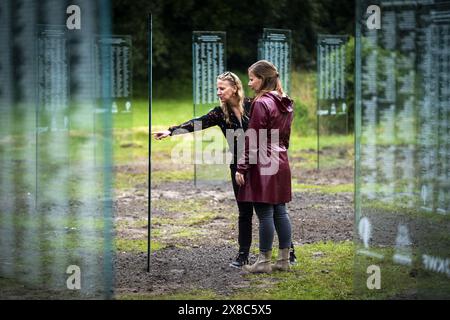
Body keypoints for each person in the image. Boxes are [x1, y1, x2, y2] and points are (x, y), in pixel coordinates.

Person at [153, 71, 254, 268]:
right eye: (217, 88)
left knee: (268, 209)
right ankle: (243, 255)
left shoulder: (253, 105)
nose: (218, 92)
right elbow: (197, 123)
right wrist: (171, 131)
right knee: (244, 212)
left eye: (222, 88)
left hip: (259, 164)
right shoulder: (220, 113)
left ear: (235, 88)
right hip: (237, 166)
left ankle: (287, 250)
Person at [235, 60, 294, 273]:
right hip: (281, 158)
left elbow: (254, 138)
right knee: (280, 211)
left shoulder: (261, 103)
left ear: (263, 79)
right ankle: (284, 260)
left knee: (265, 213)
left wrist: (241, 167)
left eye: (252, 79)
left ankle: (264, 262)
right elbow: (285, 137)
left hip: (263, 159)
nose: (249, 83)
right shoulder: (285, 101)